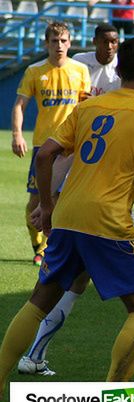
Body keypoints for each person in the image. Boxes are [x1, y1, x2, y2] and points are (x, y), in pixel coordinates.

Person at [0, 37, 134, 399]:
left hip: (69, 214)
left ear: (117, 70)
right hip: (108, 220)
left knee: (40, 299)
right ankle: (116, 394)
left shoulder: (89, 107)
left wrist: (47, 204)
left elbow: (46, 157)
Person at [11, 21, 91, 267]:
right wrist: (17, 134)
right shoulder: (35, 71)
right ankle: (38, 246)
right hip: (43, 146)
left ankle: (52, 249)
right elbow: (19, 105)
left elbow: (85, 107)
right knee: (36, 202)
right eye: (54, 41)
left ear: (70, 43)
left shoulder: (80, 70)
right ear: (46, 43)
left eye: (64, 41)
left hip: (71, 147)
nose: (59, 46)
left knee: (65, 200)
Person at [73, 23, 121, 96]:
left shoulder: (123, 64)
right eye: (105, 42)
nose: (109, 47)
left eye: (113, 42)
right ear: (94, 41)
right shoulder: (79, 61)